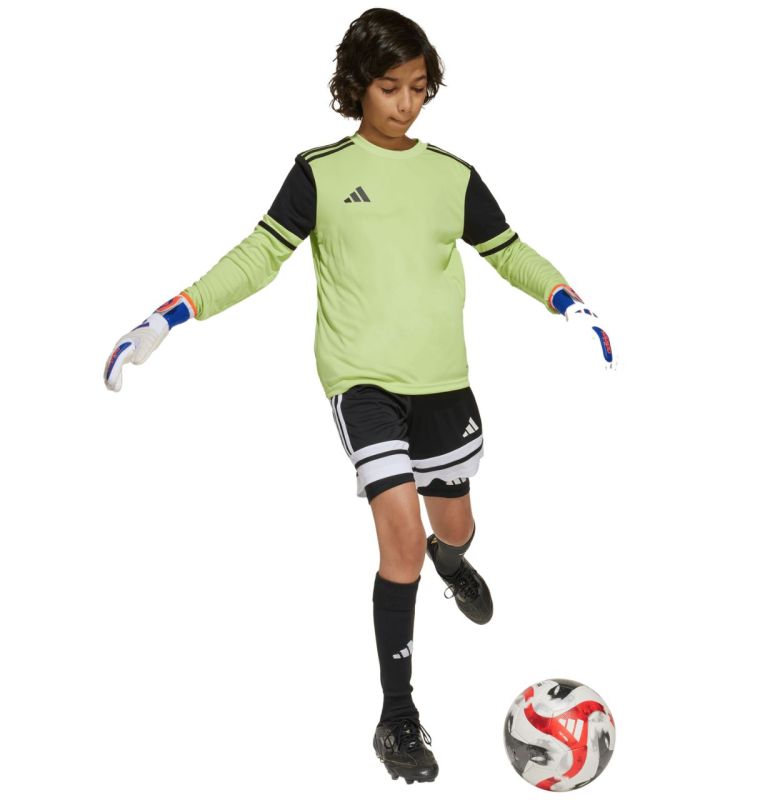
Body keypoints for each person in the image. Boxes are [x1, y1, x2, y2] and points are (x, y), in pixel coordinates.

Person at [103, 7, 615, 785]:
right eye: (389, 87)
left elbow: (508, 252)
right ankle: (397, 717)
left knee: (452, 524)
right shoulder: (320, 172)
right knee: (399, 541)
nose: (406, 104)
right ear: (356, 87)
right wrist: (173, 314)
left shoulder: (452, 175)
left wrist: (568, 300)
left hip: (444, 383)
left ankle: (452, 559)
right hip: (362, 382)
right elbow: (259, 254)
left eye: (419, 87)